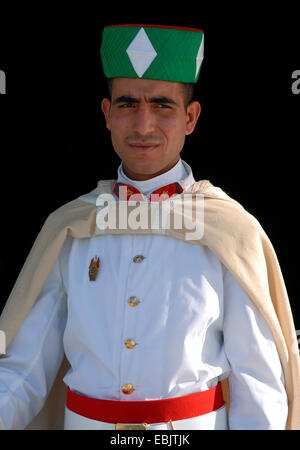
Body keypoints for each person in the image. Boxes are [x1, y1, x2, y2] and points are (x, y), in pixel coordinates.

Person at [0, 24, 299, 430]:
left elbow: (259, 382)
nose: (142, 125)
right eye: (127, 104)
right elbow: (22, 369)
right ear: (106, 114)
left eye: (162, 105)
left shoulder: (232, 231)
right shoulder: (71, 228)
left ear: (190, 118)